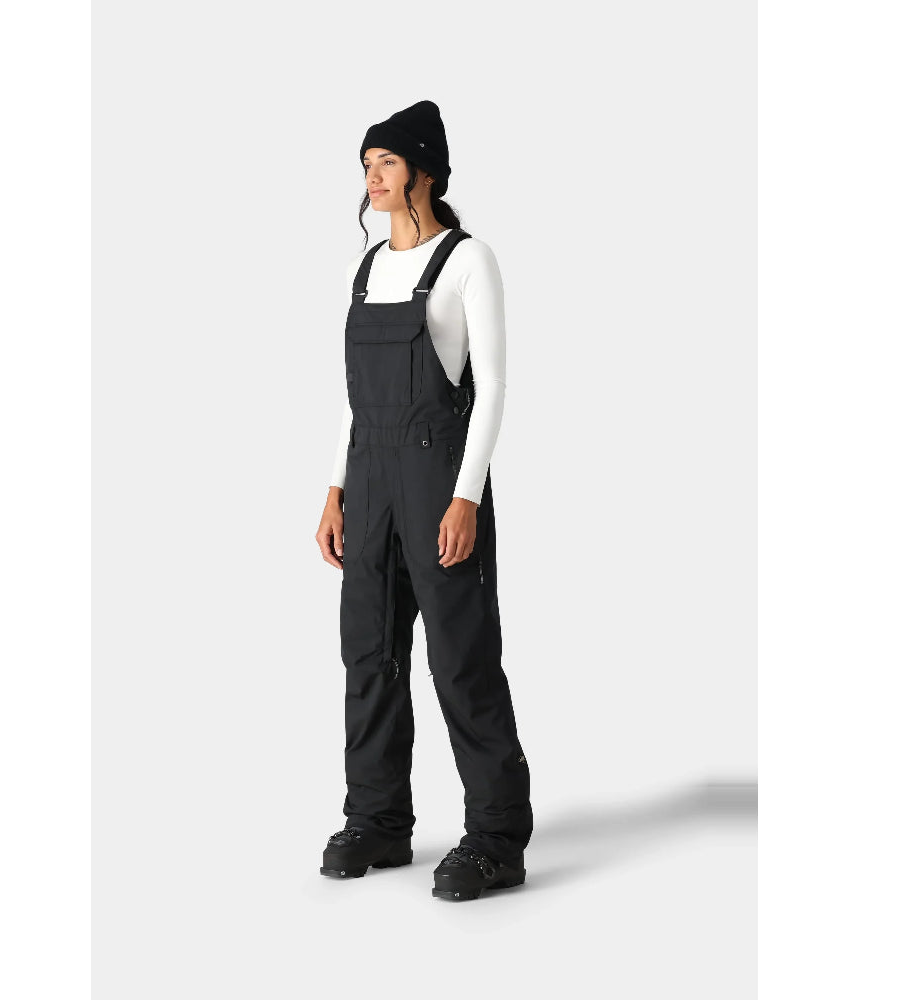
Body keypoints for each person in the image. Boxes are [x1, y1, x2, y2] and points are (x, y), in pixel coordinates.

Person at [314, 100, 533, 901]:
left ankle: (497, 840)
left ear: (425, 172)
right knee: (368, 653)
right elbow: (351, 400)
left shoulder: (468, 260)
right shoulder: (365, 268)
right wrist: (335, 489)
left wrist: (465, 496)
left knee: (460, 657)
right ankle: (377, 819)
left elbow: (494, 385)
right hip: (369, 478)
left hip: (438, 477)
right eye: (366, 165)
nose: (372, 178)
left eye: (387, 163)